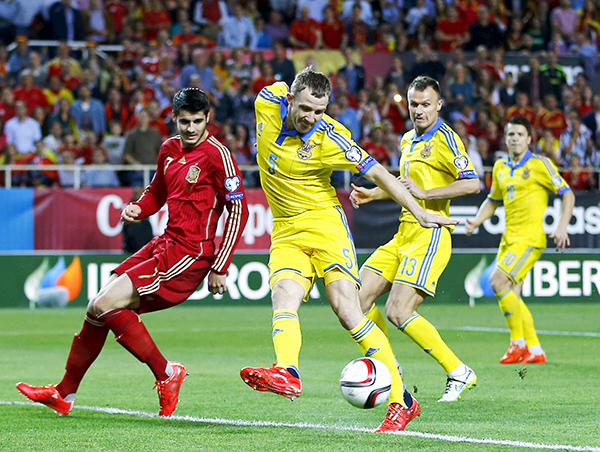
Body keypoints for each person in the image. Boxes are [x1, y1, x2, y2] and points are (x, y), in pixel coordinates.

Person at [239, 68, 457, 432]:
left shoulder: (331, 138)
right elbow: (273, 90)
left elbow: (381, 174)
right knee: (283, 296)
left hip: (326, 227)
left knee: (347, 309)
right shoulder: (267, 101)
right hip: (286, 230)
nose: (311, 118)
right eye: (305, 108)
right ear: (290, 100)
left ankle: (402, 400)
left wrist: (419, 211)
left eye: (320, 111)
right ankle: (288, 371)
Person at [16, 88, 249, 417]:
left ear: (208, 118)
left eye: (198, 121)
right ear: (174, 118)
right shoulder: (168, 149)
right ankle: (64, 393)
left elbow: (239, 211)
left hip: (191, 254)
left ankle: (166, 373)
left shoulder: (218, 156)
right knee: (96, 307)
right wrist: (139, 208)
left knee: (105, 304)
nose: (191, 128)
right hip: (164, 243)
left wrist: (220, 266)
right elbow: (157, 192)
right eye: (185, 121)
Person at [350, 75, 481, 403]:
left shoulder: (447, 139)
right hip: (403, 233)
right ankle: (387, 364)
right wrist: (373, 194)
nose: (419, 110)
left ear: (439, 105)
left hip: (430, 234)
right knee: (355, 300)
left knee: (398, 311)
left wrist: (427, 193)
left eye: (426, 104)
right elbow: (405, 186)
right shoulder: (407, 139)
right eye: (414, 104)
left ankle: (458, 371)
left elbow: (472, 183)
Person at [466, 116, 575, 364]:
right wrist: (476, 221)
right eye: (511, 134)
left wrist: (561, 226)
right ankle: (535, 349)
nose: (515, 139)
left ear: (529, 138)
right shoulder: (500, 167)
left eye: (520, 134)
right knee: (513, 295)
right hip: (509, 239)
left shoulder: (540, 164)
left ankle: (517, 343)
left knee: (497, 281)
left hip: (529, 239)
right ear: (505, 139)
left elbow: (567, 194)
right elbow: (493, 200)